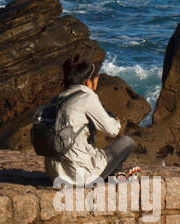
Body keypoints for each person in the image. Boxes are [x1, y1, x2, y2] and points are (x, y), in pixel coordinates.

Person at [46, 55, 137, 186]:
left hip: (55, 174)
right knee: (127, 142)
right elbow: (112, 131)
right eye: (96, 79)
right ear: (88, 82)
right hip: (78, 176)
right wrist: (116, 121)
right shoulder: (87, 97)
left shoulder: (58, 98)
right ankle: (114, 176)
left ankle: (109, 174)